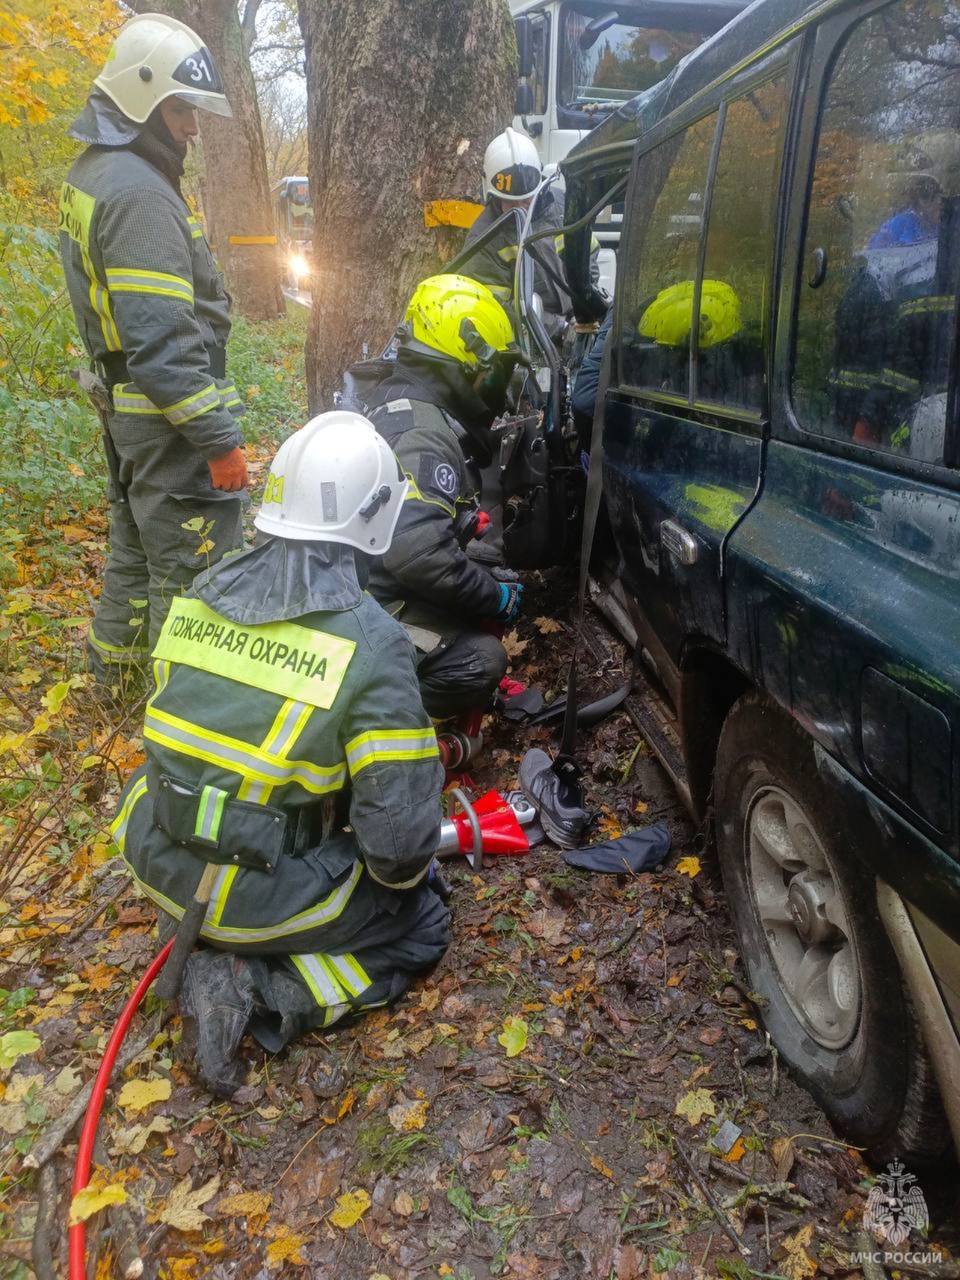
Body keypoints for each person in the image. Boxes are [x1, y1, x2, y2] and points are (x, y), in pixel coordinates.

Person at [110, 412, 450, 1097]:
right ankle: (262, 989)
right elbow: (397, 851)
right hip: (251, 887)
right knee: (423, 920)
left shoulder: (200, 592)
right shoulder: (371, 642)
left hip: (155, 852)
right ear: (374, 515)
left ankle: (213, 940)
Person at [59, 13, 248, 683]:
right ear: (140, 101)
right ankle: (180, 709)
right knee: (194, 569)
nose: (192, 126)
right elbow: (163, 346)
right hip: (168, 420)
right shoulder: (139, 193)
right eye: (179, 109)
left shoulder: (98, 173)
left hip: (129, 405)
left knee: (135, 553)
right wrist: (218, 441)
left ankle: (110, 686)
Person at [360, 274, 525, 723]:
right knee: (481, 661)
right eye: (493, 373)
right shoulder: (425, 436)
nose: (496, 386)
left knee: (480, 570)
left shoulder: (394, 399)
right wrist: (495, 598)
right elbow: (417, 556)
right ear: (465, 365)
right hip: (365, 609)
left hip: (355, 584)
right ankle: (383, 726)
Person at [461, 127, 599, 340]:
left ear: (539, 188)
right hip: (531, 340)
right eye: (510, 203)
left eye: (526, 200)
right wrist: (560, 328)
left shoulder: (562, 206)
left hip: (579, 322)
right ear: (492, 194)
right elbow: (498, 308)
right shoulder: (483, 239)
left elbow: (589, 254)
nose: (520, 209)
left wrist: (584, 308)